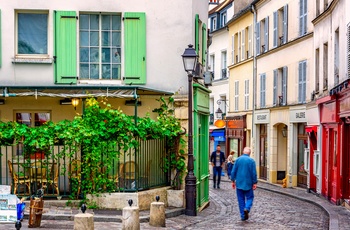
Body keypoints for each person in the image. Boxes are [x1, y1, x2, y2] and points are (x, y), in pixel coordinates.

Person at [231, 147, 257, 221]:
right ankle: (247, 208)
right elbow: (253, 173)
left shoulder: (238, 160)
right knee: (250, 197)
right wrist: (254, 182)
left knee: (241, 199)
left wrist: (233, 180)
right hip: (248, 183)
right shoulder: (251, 161)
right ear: (249, 153)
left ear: (243, 152)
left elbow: (233, 171)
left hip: (239, 183)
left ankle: (243, 215)